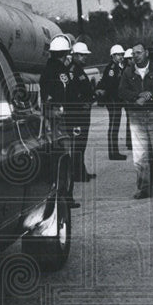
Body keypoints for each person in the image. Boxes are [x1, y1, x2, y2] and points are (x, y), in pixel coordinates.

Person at [118, 42, 153, 199]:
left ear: (146, 53)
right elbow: (122, 91)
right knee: (140, 154)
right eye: (134, 53)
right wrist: (137, 97)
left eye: (139, 52)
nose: (136, 56)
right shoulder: (128, 72)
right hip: (137, 116)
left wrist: (149, 95)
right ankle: (144, 188)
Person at [39, 35, 79, 208]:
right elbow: (69, 97)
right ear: (65, 53)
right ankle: (65, 196)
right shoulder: (63, 72)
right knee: (65, 157)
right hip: (63, 120)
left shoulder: (45, 71)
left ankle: (54, 195)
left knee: (53, 158)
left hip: (50, 120)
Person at [67, 41, 97, 181]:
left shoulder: (78, 70)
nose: (85, 58)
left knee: (81, 144)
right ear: (76, 55)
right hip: (77, 114)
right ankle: (77, 173)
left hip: (83, 113)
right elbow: (72, 93)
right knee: (78, 144)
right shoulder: (72, 71)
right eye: (83, 55)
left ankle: (81, 171)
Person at [95, 43, 127, 160]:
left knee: (115, 126)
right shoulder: (112, 68)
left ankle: (114, 151)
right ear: (113, 56)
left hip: (116, 100)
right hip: (113, 100)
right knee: (114, 126)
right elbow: (110, 85)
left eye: (121, 55)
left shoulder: (117, 67)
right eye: (118, 55)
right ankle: (113, 152)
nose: (121, 57)